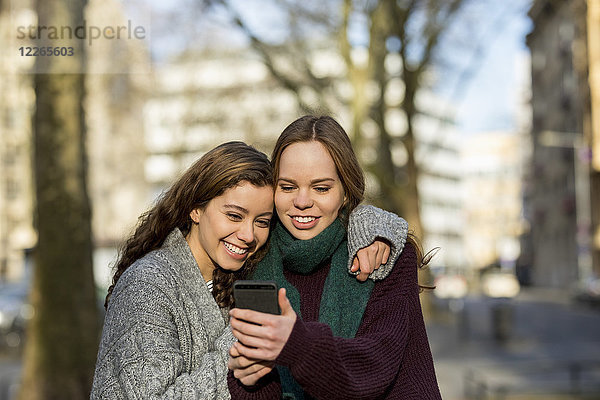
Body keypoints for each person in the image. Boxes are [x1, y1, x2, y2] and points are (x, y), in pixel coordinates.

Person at [91, 141, 406, 399]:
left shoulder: (239, 272)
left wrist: (374, 229)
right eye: (234, 215)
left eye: (262, 222)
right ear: (195, 208)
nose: (248, 235)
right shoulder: (148, 285)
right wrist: (238, 351)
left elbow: (315, 213)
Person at [227, 116, 442, 399]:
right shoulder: (252, 255)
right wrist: (247, 378)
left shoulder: (384, 255)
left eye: (321, 188)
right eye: (288, 187)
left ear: (344, 193)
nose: (302, 201)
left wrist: (297, 344)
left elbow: (375, 365)